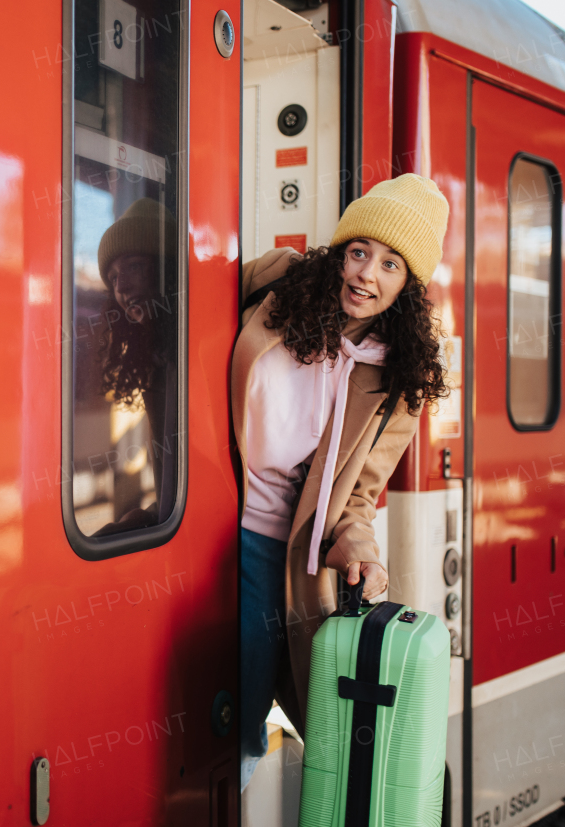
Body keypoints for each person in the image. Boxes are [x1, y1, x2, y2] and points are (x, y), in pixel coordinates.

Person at [234, 174, 450, 792]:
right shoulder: (275, 284)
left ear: (408, 285)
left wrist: (359, 544)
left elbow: (358, 496)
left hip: (277, 551)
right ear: (339, 252)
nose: (366, 275)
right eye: (359, 252)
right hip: (197, 518)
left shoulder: (400, 382)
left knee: (239, 722)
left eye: (390, 264)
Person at [92, 198, 179, 536]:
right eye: (113, 278)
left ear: (168, 269)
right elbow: (179, 493)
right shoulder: (160, 363)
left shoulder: (202, 354)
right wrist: (140, 522)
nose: (121, 288)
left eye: (135, 267)